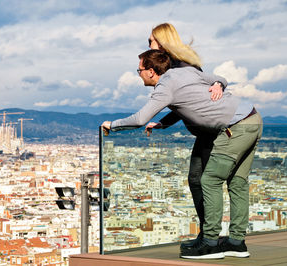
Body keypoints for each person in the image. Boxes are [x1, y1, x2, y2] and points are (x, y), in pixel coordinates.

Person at [101, 49, 263, 259]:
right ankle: (236, 243)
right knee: (238, 182)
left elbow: (140, 118)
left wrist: (112, 125)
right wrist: (164, 123)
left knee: (211, 180)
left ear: (151, 71)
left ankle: (211, 243)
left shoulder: (165, 86)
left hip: (234, 128)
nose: (138, 74)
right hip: (252, 118)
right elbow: (208, 87)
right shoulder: (184, 73)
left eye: (139, 70)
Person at [148, 23, 223, 248]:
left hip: (211, 131)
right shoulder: (181, 64)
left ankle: (209, 237)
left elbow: (190, 101)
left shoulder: (180, 67)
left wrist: (218, 83)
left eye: (151, 41)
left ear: (161, 43)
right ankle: (206, 234)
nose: (149, 46)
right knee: (197, 180)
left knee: (204, 182)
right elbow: (182, 105)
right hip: (205, 132)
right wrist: (163, 123)